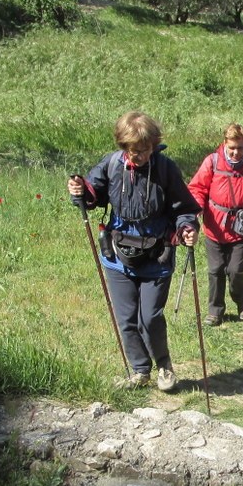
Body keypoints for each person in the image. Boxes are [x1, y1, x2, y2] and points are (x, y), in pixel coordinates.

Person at [68, 111, 200, 391]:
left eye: (146, 149)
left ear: (154, 144)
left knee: (149, 317)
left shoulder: (165, 168)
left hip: (157, 252)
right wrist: (79, 190)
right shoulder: (112, 164)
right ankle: (140, 370)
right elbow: (92, 194)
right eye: (134, 150)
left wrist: (187, 227)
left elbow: (184, 209)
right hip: (118, 252)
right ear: (123, 146)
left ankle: (163, 365)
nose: (140, 155)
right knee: (126, 318)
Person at [187, 123, 243, 325]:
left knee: (235, 270)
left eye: (240, 148)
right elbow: (197, 188)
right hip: (215, 228)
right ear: (224, 143)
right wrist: (196, 210)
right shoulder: (212, 162)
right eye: (231, 147)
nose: (235, 152)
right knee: (215, 270)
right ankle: (215, 311)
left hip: (241, 230)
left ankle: (241, 301)